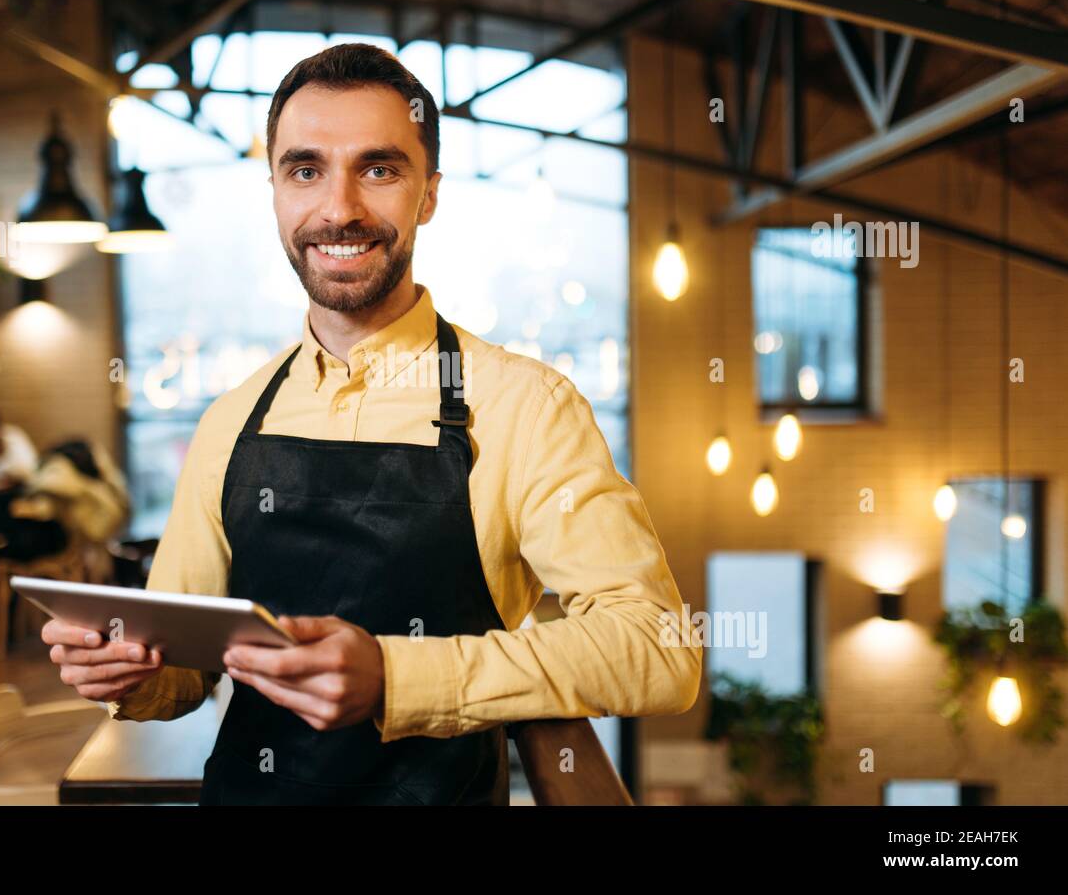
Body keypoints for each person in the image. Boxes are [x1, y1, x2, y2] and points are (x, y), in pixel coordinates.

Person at [44, 43, 701, 805]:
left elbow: (659, 647)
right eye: (305, 170)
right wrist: (131, 669)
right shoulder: (229, 422)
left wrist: (397, 676)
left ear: (428, 194)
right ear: (274, 192)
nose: (339, 209)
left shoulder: (526, 407)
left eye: (379, 169)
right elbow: (187, 675)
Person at [0, 437, 129, 653]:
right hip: (54, 537)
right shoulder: (92, 478)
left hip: (55, 540)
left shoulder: (59, 471)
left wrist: (26, 497)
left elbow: (46, 499)